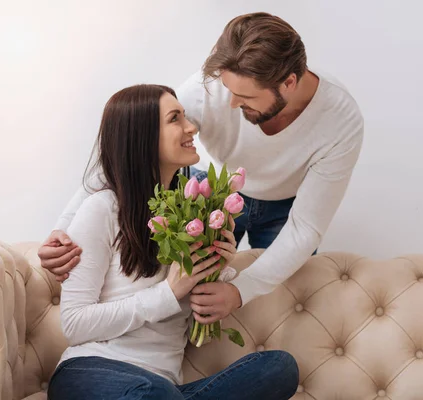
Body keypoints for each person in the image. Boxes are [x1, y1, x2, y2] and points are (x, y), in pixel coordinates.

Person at [38, 12, 363, 323]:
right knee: (183, 297)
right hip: (207, 189)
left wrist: (239, 291)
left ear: (288, 83)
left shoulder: (340, 120)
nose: (232, 103)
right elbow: (130, 152)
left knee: (277, 308)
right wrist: (63, 228)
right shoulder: (209, 88)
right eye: (229, 90)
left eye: (244, 96)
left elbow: (305, 228)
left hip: (286, 206)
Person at [47, 84, 299, 400]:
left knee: (278, 367)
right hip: (92, 373)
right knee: (153, 392)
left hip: (163, 387)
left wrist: (219, 269)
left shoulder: (192, 213)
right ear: (143, 136)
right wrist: (168, 292)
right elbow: (74, 324)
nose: (191, 126)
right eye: (175, 118)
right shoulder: (103, 208)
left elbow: (195, 321)